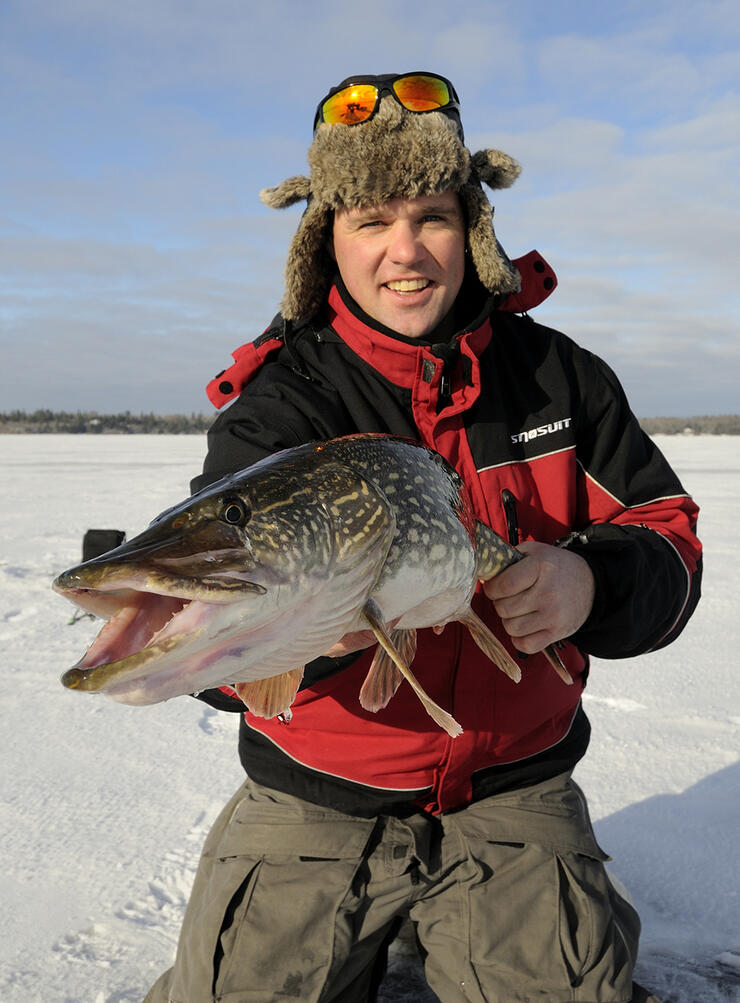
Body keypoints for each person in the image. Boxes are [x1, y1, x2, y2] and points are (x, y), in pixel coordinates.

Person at [146, 72, 702, 1002]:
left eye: (432, 218)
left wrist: (591, 586)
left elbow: (666, 534)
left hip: (514, 786)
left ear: (471, 227)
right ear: (328, 241)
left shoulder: (560, 380)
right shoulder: (282, 404)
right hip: (318, 789)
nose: (405, 252)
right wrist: (287, 640)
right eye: (370, 221)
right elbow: (210, 624)